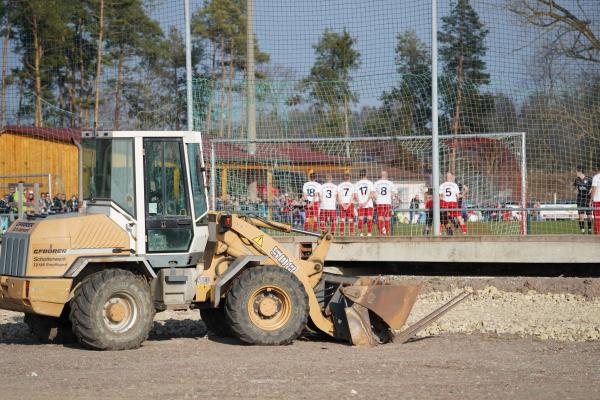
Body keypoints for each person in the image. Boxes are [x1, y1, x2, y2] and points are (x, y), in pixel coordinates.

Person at [355, 169, 375, 237]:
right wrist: (366, 202)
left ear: (360, 175)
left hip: (360, 204)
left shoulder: (357, 183)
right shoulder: (370, 183)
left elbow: (355, 194)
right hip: (369, 204)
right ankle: (369, 233)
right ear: (366, 174)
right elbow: (372, 194)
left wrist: (359, 202)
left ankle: (361, 234)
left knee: (360, 218)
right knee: (369, 218)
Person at [374, 170, 394, 236]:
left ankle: (381, 233)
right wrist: (391, 198)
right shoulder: (390, 183)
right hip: (387, 202)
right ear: (386, 175)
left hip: (379, 202)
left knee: (380, 218)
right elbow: (392, 194)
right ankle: (387, 233)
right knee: (387, 218)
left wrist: (376, 199)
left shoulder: (376, 183)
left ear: (381, 175)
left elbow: (374, 194)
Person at [574, 166, 593, 234]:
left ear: (580, 172)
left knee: (589, 217)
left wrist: (590, 192)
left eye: (576, 171)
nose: (576, 173)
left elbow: (592, 188)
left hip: (588, 200)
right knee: (581, 217)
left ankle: (590, 230)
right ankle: (582, 231)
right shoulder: (576, 180)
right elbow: (576, 189)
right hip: (580, 200)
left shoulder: (589, 179)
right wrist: (576, 191)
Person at [337, 171, 356, 236]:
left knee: (342, 219)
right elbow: (353, 196)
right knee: (350, 219)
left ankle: (342, 234)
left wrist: (342, 204)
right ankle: (352, 234)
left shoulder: (340, 185)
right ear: (349, 177)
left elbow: (339, 196)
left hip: (343, 203)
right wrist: (348, 205)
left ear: (343, 177)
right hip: (350, 204)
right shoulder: (352, 185)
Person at [591, 167, 600, 235]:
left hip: (597, 200)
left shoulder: (596, 177)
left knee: (597, 218)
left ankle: (596, 234)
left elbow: (594, 189)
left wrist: (591, 200)